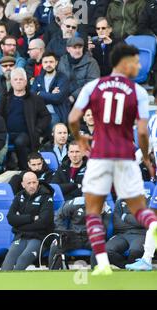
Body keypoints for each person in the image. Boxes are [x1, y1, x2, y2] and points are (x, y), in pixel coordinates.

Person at [68, 43, 157, 275]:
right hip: (126, 156)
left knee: (93, 209)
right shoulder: (138, 91)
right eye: (135, 61)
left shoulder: (93, 85)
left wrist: (80, 138)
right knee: (139, 208)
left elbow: (73, 118)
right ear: (124, 62)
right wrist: (146, 155)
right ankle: (153, 223)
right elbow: (144, 131)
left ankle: (103, 264)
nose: (139, 66)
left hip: (100, 156)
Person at [0, 68, 51, 170]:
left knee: (20, 142)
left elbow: (46, 116)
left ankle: (24, 169)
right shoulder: (5, 98)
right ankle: (3, 169)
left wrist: (38, 130)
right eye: (15, 79)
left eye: (21, 79)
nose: (18, 82)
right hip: (7, 132)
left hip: (27, 133)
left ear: (25, 82)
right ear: (11, 82)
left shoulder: (35, 99)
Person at [1, 171, 54, 270]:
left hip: (39, 238)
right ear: (23, 184)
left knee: (22, 260)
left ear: (38, 182)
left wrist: (19, 223)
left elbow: (44, 222)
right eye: (29, 183)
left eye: (34, 182)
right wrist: (32, 218)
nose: (32, 185)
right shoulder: (19, 196)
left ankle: (17, 285)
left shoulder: (46, 197)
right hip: (21, 237)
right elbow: (10, 218)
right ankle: (3, 285)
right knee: (8, 263)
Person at [31, 51, 70, 125]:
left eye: (51, 62)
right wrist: (50, 94)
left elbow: (57, 98)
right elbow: (32, 96)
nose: (48, 64)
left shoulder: (62, 78)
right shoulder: (38, 79)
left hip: (55, 113)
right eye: (45, 62)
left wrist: (40, 93)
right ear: (42, 64)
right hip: (39, 113)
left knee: (51, 122)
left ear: (56, 63)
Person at [57, 37, 100, 105]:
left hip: (84, 100)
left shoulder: (91, 62)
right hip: (63, 98)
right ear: (68, 49)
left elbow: (92, 83)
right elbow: (57, 78)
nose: (77, 50)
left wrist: (74, 96)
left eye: (80, 47)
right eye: (74, 48)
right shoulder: (62, 60)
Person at [106, 200, 146, 269]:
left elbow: (143, 221)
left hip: (140, 234)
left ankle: (132, 269)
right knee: (106, 250)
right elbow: (117, 224)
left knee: (135, 251)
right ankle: (126, 266)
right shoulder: (119, 202)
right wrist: (135, 221)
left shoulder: (145, 200)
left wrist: (125, 217)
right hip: (122, 234)